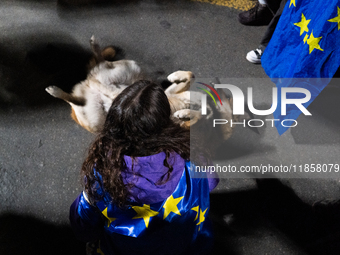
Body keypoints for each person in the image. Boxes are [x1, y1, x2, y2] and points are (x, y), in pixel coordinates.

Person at [69, 80, 219, 255]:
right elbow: (211, 183)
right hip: (183, 246)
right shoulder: (193, 155)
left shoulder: (102, 169)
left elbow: (84, 227)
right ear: (164, 122)